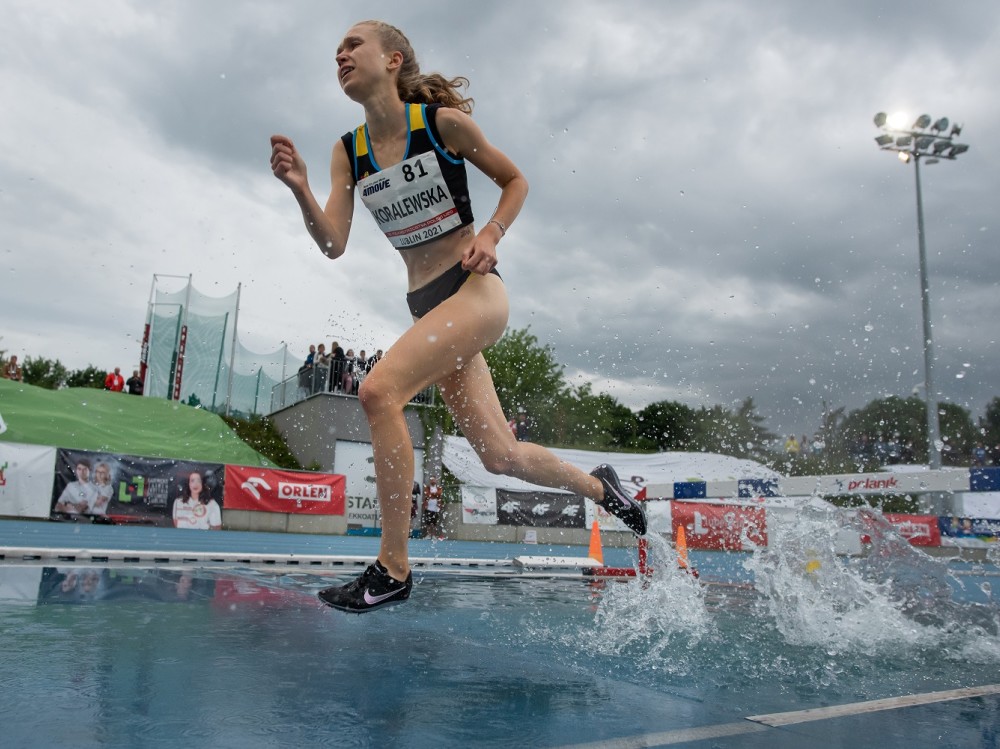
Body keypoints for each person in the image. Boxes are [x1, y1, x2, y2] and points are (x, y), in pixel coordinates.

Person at [270, 19, 646, 613]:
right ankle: (604, 488)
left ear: (393, 60)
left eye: (353, 44)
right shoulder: (348, 152)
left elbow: (516, 180)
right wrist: (300, 188)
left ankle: (393, 567)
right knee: (501, 455)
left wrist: (493, 234)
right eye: (336, 48)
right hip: (430, 309)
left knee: (377, 393)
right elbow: (333, 244)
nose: (339, 53)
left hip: (474, 293)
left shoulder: (441, 126)